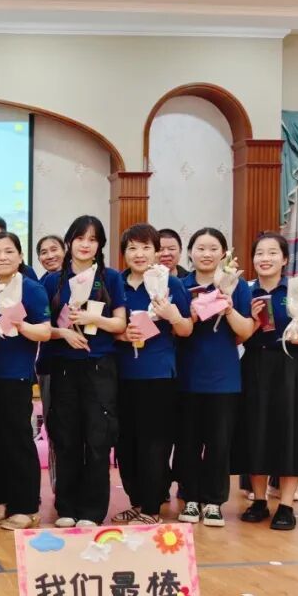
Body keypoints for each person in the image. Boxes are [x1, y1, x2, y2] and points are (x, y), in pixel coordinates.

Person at [232, 233, 298, 531]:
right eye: (260, 253)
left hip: (290, 366)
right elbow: (236, 337)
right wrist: (250, 319)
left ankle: (286, 505)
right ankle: (259, 500)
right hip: (254, 365)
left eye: (273, 253)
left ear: (285, 259)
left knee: (290, 433)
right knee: (255, 431)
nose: (265, 258)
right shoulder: (244, 291)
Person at [44, 216, 128, 528]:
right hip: (64, 366)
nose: (85, 244)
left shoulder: (111, 278)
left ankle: (92, 511)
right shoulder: (53, 280)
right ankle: (66, 506)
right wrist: (64, 332)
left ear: (100, 245)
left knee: (97, 437)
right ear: (69, 241)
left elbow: (120, 323)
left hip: (99, 365)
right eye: (80, 238)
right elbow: (43, 328)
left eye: (93, 239)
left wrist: (96, 319)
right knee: (66, 436)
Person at [113, 224, 192, 525]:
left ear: (157, 252)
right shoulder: (116, 283)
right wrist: (122, 335)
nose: (139, 254)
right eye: (132, 248)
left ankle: (151, 508)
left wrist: (173, 315)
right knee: (126, 444)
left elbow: (186, 329)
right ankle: (137, 502)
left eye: (146, 247)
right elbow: (106, 328)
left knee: (154, 443)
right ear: (124, 253)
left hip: (159, 375)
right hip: (121, 375)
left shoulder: (170, 284)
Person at [175, 228, 255, 527]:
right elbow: (173, 330)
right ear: (190, 252)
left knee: (219, 443)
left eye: (213, 248)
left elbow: (246, 331)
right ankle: (190, 497)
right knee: (187, 442)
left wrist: (228, 307)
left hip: (224, 378)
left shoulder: (237, 286)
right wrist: (190, 315)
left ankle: (213, 502)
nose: (206, 254)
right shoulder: (180, 286)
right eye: (200, 248)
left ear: (223, 253)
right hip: (186, 375)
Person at [0, 231, 53, 529]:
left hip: (16, 375)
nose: (2, 257)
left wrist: (19, 324)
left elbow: (44, 332)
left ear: (20, 257)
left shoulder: (31, 289)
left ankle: (26, 507)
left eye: (9, 251)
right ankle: (0, 501)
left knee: (17, 441)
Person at [35, 233, 67, 493]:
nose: (49, 256)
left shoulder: (88, 280)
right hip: (50, 365)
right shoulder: (41, 284)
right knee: (55, 427)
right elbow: (40, 327)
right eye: (43, 252)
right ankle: (60, 487)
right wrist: (63, 333)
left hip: (85, 365)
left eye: (54, 249)